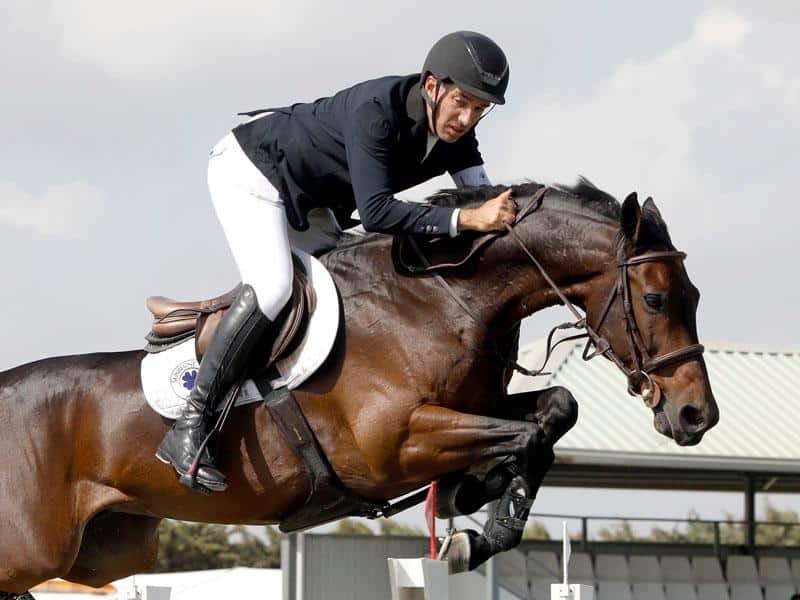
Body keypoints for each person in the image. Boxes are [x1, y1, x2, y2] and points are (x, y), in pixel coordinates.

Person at [156, 31, 519, 493]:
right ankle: (190, 424)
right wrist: (466, 218)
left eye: (479, 109)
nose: (467, 119)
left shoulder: (458, 137)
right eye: (461, 103)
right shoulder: (378, 114)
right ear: (432, 87)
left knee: (355, 290)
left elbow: (489, 200)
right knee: (273, 287)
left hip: (314, 202)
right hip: (255, 170)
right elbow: (377, 213)